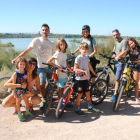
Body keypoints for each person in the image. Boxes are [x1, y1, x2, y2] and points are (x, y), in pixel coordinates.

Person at [11, 24, 56, 109]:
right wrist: (16, 58)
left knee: (50, 85)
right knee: (42, 85)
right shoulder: (36, 40)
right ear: (40, 31)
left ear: (49, 31)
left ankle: (48, 98)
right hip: (41, 67)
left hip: (51, 68)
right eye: (43, 30)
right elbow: (27, 50)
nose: (45, 31)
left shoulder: (52, 43)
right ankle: (44, 101)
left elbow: (57, 55)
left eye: (46, 30)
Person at [74, 42, 100, 116]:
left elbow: (89, 66)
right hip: (79, 79)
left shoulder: (86, 58)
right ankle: (77, 108)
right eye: (82, 49)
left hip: (85, 78)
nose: (84, 51)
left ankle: (90, 106)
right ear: (79, 49)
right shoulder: (78, 58)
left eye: (85, 49)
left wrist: (94, 73)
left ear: (87, 50)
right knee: (80, 94)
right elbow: (75, 69)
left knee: (88, 92)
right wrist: (84, 71)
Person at [47, 38, 72, 108]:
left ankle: (65, 102)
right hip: (60, 73)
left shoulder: (64, 53)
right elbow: (48, 61)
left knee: (66, 87)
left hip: (65, 72)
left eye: (63, 44)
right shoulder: (57, 53)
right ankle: (59, 103)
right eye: (61, 44)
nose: (62, 46)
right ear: (58, 45)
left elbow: (65, 61)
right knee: (61, 88)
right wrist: (57, 66)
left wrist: (69, 66)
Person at [115, 37, 140, 104]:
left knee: (135, 82)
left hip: (136, 66)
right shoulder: (129, 49)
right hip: (129, 64)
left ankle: (136, 98)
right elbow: (123, 53)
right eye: (130, 44)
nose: (131, 44)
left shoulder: (139, 48)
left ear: (134, 42)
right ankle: (120, 89)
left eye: (132, 43)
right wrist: (118, 56)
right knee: (124, 77)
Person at [110, 29, 127, 100]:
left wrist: (117, 56)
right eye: (114, 35)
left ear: (119, 34)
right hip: (116, 62)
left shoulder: (124, 41)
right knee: (118, 77)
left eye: (116, 34)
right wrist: (113, 54)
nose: (115, 36)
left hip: (121, 62)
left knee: (117, 78)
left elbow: (124, 52)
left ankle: (115, 93)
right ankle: (119, 89)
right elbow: (114, 50)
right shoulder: (116, 42)